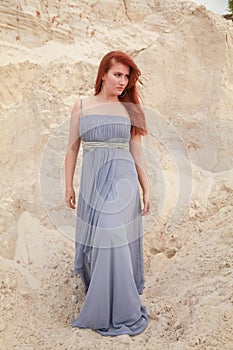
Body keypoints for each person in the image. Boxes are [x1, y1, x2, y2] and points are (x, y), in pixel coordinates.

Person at [65, 50, 151, 336]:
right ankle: (102, 296)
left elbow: (136, 152)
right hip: (93, 182)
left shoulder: (131, 110)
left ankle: (122, 310)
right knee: (97, 244)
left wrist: (146, 187)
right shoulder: (81, 105)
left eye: (127, 77)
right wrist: (68, 185)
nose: (122, 81)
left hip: (122, 180)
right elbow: (72, 148)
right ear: (103, 74)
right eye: (117, 74)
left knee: (111, 233)